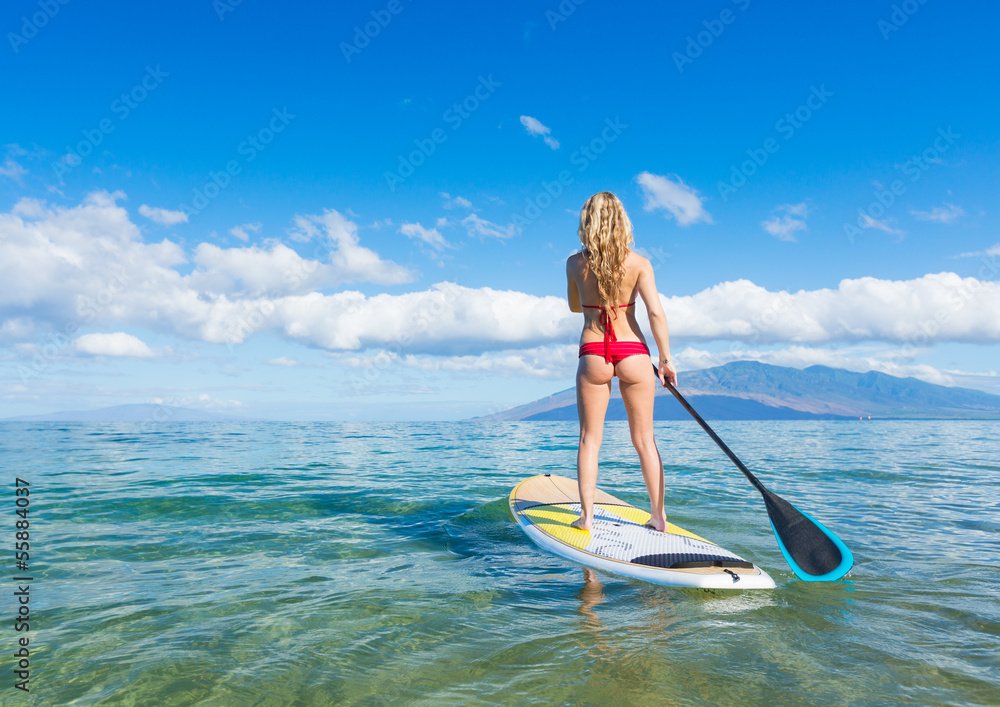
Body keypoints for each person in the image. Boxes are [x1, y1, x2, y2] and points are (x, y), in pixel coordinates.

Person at [565, 191, 677, 532]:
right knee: (645, 439)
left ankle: (587, 517)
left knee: (589, 439)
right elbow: (655, 311)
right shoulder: (640, 263)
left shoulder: (573, 263)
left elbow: (574, 306)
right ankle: (658, 517)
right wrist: (666, 359)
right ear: (622, 222)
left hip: (593, 352)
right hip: (634, 353)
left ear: (588, 222)